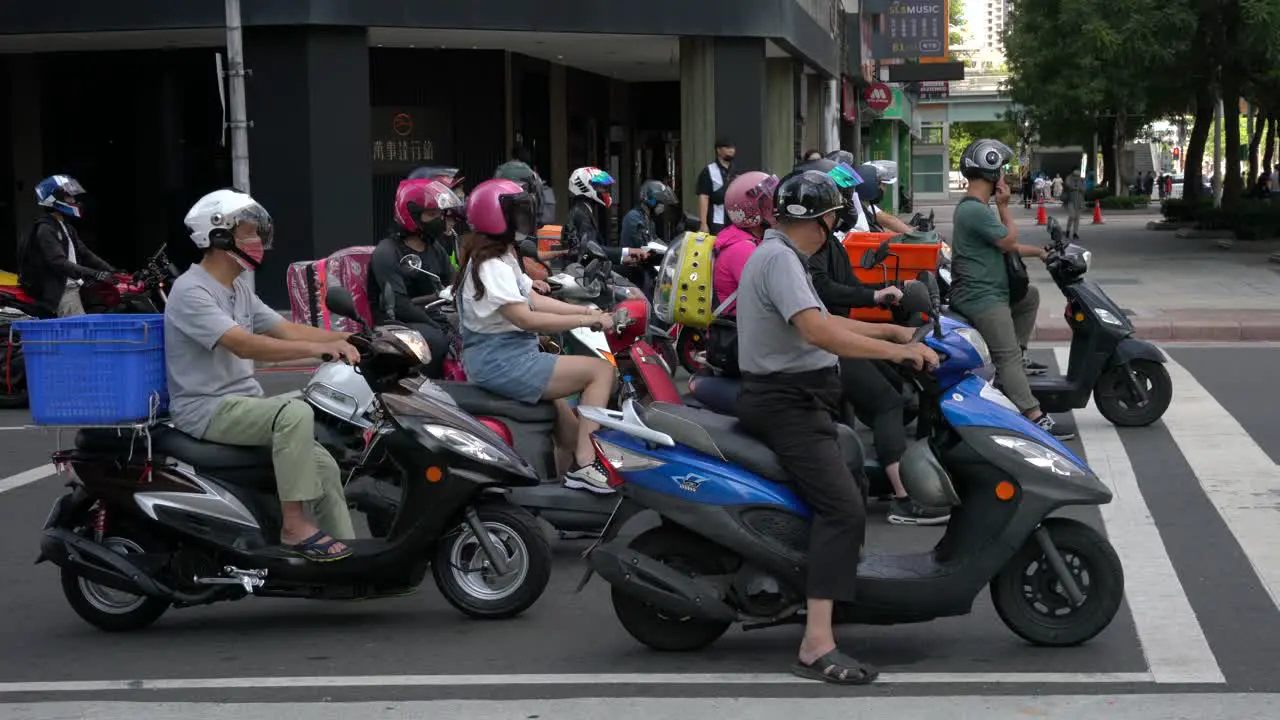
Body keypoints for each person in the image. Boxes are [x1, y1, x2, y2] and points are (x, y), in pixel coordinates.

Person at [734, 169, 938, 684]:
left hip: (800, 399)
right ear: (823, 219)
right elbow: (818, 330)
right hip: (787, 404)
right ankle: (815, 643)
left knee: (852, 472)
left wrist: (892, 328)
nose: (836, 220)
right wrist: (897, 349)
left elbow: (825, 316)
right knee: (844, 509)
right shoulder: (780, 259)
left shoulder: (785, 256)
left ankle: (833, 590)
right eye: (833, 213)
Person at [165, 189, 359, 560]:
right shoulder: (191, 292)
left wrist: (351, 337)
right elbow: (246, 345)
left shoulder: (236, 288)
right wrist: (319, 350)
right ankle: (293, 526)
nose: (257, 241)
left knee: (324, 462)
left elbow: (286, 329)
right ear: (219, 237)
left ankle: (350, 561)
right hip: (206, 408)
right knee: (294, 413)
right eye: (248, 233)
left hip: (241, 404)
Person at [453, 179, 618, 493]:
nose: (523, 219)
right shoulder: (489, 265)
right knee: (600, 371)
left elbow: (536, 299)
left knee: (569, 435)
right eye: (516, 213)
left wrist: (588, 314)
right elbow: (525, 318)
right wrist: (582, 322)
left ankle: (555, 501)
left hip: (514, 355)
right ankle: (586, 465)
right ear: (495, 217)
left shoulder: (504, 256)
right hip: (501, 360)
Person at [805, 167, 949, 526]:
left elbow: (853, 286)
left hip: (839, 333)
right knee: (887, 402)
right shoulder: (806, 251)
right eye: (840, 201)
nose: (847, 207)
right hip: (827, 344)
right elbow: (825, 296)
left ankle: (882, 473)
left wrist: (890, 296)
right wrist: (877, 303)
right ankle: (903, 498)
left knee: (897, 386)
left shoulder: (830, 244)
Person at [951, 139, 1071, 440]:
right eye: (1001, 170)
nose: (1004, 177)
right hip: (981, 297)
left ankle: (1015, 360)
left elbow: (1010, 245)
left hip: (993, 292)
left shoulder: (978, 209)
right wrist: (1005, 208)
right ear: (991, 173)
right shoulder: (973, 210)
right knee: (1007, 356)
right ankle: (1033, 416)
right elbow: (1007, 239)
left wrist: (1042, 252)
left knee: (1029, 297)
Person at [368, 177, 461, 378]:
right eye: (431, 214)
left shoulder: (434, 248)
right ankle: (430, 389)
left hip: (432, 314)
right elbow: (400, 305)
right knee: (436, 340)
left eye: (440, 214)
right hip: (397, 322)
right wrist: (440, 328)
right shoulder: (387, 253)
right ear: (412, 215)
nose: (439, 219)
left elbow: (452, 283)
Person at [18, 174, 118, 318]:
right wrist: (95, 273)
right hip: (63, 292)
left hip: (75, 287)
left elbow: (85, 253)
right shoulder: (45, 229)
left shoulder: (65, 226)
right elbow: (58, 262)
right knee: (80, 337)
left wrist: (110, 269)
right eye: (68, 197)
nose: (73, 200)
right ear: (55, 199)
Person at [564, 166, 649, 267]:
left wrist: (623, 259)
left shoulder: (584, 210)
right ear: (586, 186)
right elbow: (591, 248)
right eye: (602, 187)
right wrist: (628, 251)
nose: (605, 191)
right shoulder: (580, 214)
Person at [619, 180, 676, 293]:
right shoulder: (634, 217)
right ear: (652, 201)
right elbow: (642, 245)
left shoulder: (649, 220)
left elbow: (655, 241)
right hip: (634, 271)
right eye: (661, 203)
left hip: (644, 269)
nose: (663, 207)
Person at [695, 139, 737, 233]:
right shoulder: (709, 170)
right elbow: (704, 197)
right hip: (717, 220)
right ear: (718, 150)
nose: (731, 150)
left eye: (733, 148)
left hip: (735, 220)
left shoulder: (737, 170)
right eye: (727, 147)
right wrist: (703, 223)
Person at [863, 161, 913, 234]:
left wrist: (904, 234)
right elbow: (888, 220)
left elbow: (878, 229)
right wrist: (912, 234)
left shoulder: (865, 204)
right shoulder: (860, 205)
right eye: (883, 185)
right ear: (871, 185)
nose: (885, 190)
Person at [1063, 168, 1085, 239]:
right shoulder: (1069, 178)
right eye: (1075, 175)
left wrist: (1080, 185)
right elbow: (1068, 185)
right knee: (1072, 216)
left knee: (1077, 218)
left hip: (1079, 201)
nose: (1076, 177)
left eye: (1078, 175)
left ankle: (1075, 233)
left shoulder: (1081, 180)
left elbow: (1084, 189)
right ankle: (1068, 230)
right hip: (1070, 200)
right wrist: (1075, 187)